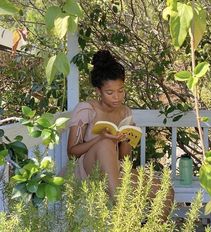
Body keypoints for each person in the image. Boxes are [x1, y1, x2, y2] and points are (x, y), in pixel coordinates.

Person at [67, 50, 174, 210]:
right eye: (110, 92)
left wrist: (125, 140)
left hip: (115, 169)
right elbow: (72, 153)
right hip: (87, 170)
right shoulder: (87, 109)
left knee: (166, 192)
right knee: (105, 144)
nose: (117, 97)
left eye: (121, 91)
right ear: (98, 91)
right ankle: (121, 206)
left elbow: (125, 160)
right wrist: (100, 138)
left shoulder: (125, 113)